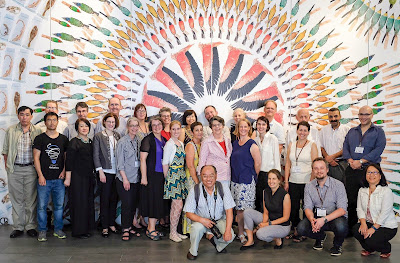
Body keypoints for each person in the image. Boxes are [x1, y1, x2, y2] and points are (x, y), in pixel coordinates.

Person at [342, 105, 386, 232]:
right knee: (351, 200)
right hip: (352, 170)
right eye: (361, 114)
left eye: (366, 114)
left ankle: (372, 228)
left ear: (372, 115)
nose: (363, 117)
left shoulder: (378, 132)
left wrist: (361, 161)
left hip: (370, 171)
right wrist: (350, 160)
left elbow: (378, 150)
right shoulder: (352, 131)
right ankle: (351, 229)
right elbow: (345, 146)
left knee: (370, 201)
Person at [2, 106, 42, 238]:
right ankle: (18, 227)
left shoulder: (38, 131)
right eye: (22, 114)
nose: (24, 117)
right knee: (16, 199)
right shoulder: (11, 130)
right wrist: (9, 168)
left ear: (31, 116)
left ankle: (31, 226)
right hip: (15, 170)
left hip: (31, 169)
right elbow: (6, 151)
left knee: (31, 199)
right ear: (18, 116)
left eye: (27, 114)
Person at [297, 158, 348, 256]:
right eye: (316, 168)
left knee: (341, 227)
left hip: (334, 216)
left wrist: (323, 220)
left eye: (321, 168)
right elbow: (307, 207)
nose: (319, 171)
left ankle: (337, 245)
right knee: (301, 228)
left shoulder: (338, 185)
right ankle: (320, 236)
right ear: (312, 170)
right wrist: (312, 220)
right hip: (317, 216)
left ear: (327, 170)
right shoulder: (309, 186)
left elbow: (342, 210)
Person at [184, 165, 236, 260]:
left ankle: (215, 242)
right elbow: (188, 213)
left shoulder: (223, 188)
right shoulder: (194, 190)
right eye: (205, 176)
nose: (208, 179)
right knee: (196, 228)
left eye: (211, 176)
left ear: (216, 176)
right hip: (201, 221)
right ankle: (193, 251)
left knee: (230, 236)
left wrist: (228, 230)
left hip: (218, 220)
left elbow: (229, 211)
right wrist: (202, 220)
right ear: (200, 176)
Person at [33, 112, 69, 242]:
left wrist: (64, 172)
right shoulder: (40, 138)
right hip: (44, 179)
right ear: (45, 122)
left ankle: (58, 229)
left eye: (54, 120)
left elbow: (66, 158)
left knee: (59, 206)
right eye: (49, 120)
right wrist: (40, 175)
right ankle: (42, 230)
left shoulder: (64, 139)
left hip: (59, 179)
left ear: (57, 122)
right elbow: (36, 158)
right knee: (42, 206)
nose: (52, 122)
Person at [352, 164, 398, 258]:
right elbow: (359, 208)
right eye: (369, 172)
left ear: (380, 176)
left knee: (371, 239)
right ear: (365, 175)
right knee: (356, 230)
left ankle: (386, 248)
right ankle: (369, 248)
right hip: (369, 222)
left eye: (375, 172)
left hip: (386, 226)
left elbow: (384, 213)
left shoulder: (386, 191)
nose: (371, 175)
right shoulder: (362, 190)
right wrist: (363, 223)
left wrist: (373, 228)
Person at [284, 121, 318, 242]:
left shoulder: (312, 145)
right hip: (293, 181)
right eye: (300, 130)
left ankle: (304, 231)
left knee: (306, 208)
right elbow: (288, 163)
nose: (302, 132)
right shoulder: (291, 144)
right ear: (297, 131)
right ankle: (296, 230)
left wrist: (311, 182)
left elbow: (315, 165)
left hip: (307, 182)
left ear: (308, 132)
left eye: (305, 130)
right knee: (292, 208)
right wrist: (286, 181)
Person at [241, 169, 291, 250]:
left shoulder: (285, 195)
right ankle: (250, 240)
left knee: (260, 234)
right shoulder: (265, 192)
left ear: (279, 180)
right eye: (269, 178)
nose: (271, 181)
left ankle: (277, 238)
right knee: (247, 212)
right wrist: (263, 224)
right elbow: (266, 212)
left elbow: (286, 218)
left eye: (274, 179)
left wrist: (266, 225)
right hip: (269, 220)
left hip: (282, 226)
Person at [230, 119, 261, 244]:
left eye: (245, 127)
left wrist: (253, 176)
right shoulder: (235, 143)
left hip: (247, 181)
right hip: (235, 180)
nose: (243, 129)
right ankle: (240, 231)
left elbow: (257, 163)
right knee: (238, 209)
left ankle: (245, 233)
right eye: (240, 126)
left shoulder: (252, 144)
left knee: (245, 210)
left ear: (249, 128)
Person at [64, 118, 95, 239]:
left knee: (87, 203)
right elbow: (69, 162)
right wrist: (68, 178)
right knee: (78, 203)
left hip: (88, 177)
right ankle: (78, 231)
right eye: (81, 126)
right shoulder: (73, 142)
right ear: (77, 128)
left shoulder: (90, 142)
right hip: (77, 178)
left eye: (86, 126)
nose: (84, 128)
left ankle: (86, 229)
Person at [93, 113, 121, 238]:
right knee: (104, 200)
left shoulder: (117, 135)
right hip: (105, 173)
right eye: (109, 121)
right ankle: (104, 226)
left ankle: (111, 223)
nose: (111, 124)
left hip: (117, 173)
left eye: (113, 122)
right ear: (104, 122)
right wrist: (100, 171)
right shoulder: (98, 136)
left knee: (114, 199)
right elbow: (96, 155)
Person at [140, 116, 168, 241]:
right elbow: (142, 159)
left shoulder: (163, 139)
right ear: (151, 127)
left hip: (161, 175)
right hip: (151, 176)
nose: (156, 127)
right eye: (154, 125)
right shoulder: (148, 139)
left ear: (162, 126)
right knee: (153, 202)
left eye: (158, 124)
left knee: (158, 202)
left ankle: (153, 228)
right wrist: (144, 177)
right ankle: (150, 229)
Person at [115, 117, 141, 241]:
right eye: (132, 126)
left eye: (136, 125)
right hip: (124, 179)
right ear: (128, 127)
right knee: (126, 204)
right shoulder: (122, 142)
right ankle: (125, 229)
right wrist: (125, 179)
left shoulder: (138, 140)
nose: (134, 128)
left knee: (133, 205)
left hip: (135, 178)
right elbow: (119, 163)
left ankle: (130, 226)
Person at [163, 120, 188, 242]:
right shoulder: (169, 144)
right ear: (170, 130)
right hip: (173, 176)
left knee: (176, 206)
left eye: (178, 129)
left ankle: (175, 231)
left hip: (180, 175)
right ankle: (172, 233)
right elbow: (165, 163)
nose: (176, 131)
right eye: (174, 129)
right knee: (178, 205)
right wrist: (168, 179)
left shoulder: (180, 143)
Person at [253, 116, 281, 212]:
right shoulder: (255, 140)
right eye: (259, 124)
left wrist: (277, 177)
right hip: (258, 174)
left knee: (269, 201)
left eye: (263, 124)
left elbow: (276, 158)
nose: (261, 126)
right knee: (259, 199)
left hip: (270, 174)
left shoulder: (272, 138)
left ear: (267, 126)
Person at [198, 116, 232, 188]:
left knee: (226, 198)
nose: (217, 127)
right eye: (214, 125)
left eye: (219, 124)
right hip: (212, 179)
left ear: (222, 126)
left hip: (227, 177)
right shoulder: (206, 142)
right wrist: (202, 179)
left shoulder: (228, 141)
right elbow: (202, 161)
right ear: (211, 127)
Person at [319, 108, 350, 183]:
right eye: (331, 117)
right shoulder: (323, 130)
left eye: (335, 116)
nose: (333, 119)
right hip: (326, 164)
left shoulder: (347, 130)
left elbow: (348, 148)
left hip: (341, 164)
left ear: (340, 116)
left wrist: (332, 157)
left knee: (341, 188)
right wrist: (327, 158)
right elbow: (321, 146)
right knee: (326, 188)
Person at [183, 121, 203, 234]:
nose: (199, 132)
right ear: (192, 132)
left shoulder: (202, 144)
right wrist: (196, 182)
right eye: (197, 130)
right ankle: (188, 229)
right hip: (191, 178)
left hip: (199, 178)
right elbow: (190, 166)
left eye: (201, 130)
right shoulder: (190, 145)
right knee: (191, 204)